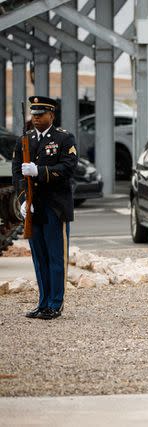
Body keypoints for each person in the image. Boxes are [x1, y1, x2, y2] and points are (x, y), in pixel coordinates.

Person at [11, 96, 78, 320]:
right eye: (34, 114)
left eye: (41, 114)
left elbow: (68, 169)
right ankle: (43, 302)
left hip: (55, 207)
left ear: (51, 115)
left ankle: (55, 303)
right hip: (34, 207)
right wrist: (22, 200)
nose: (36, 118)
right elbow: (18, 175)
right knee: (39, 257)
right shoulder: (25, 140)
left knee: (55, 256)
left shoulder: (63, 138)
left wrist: (39, 171)